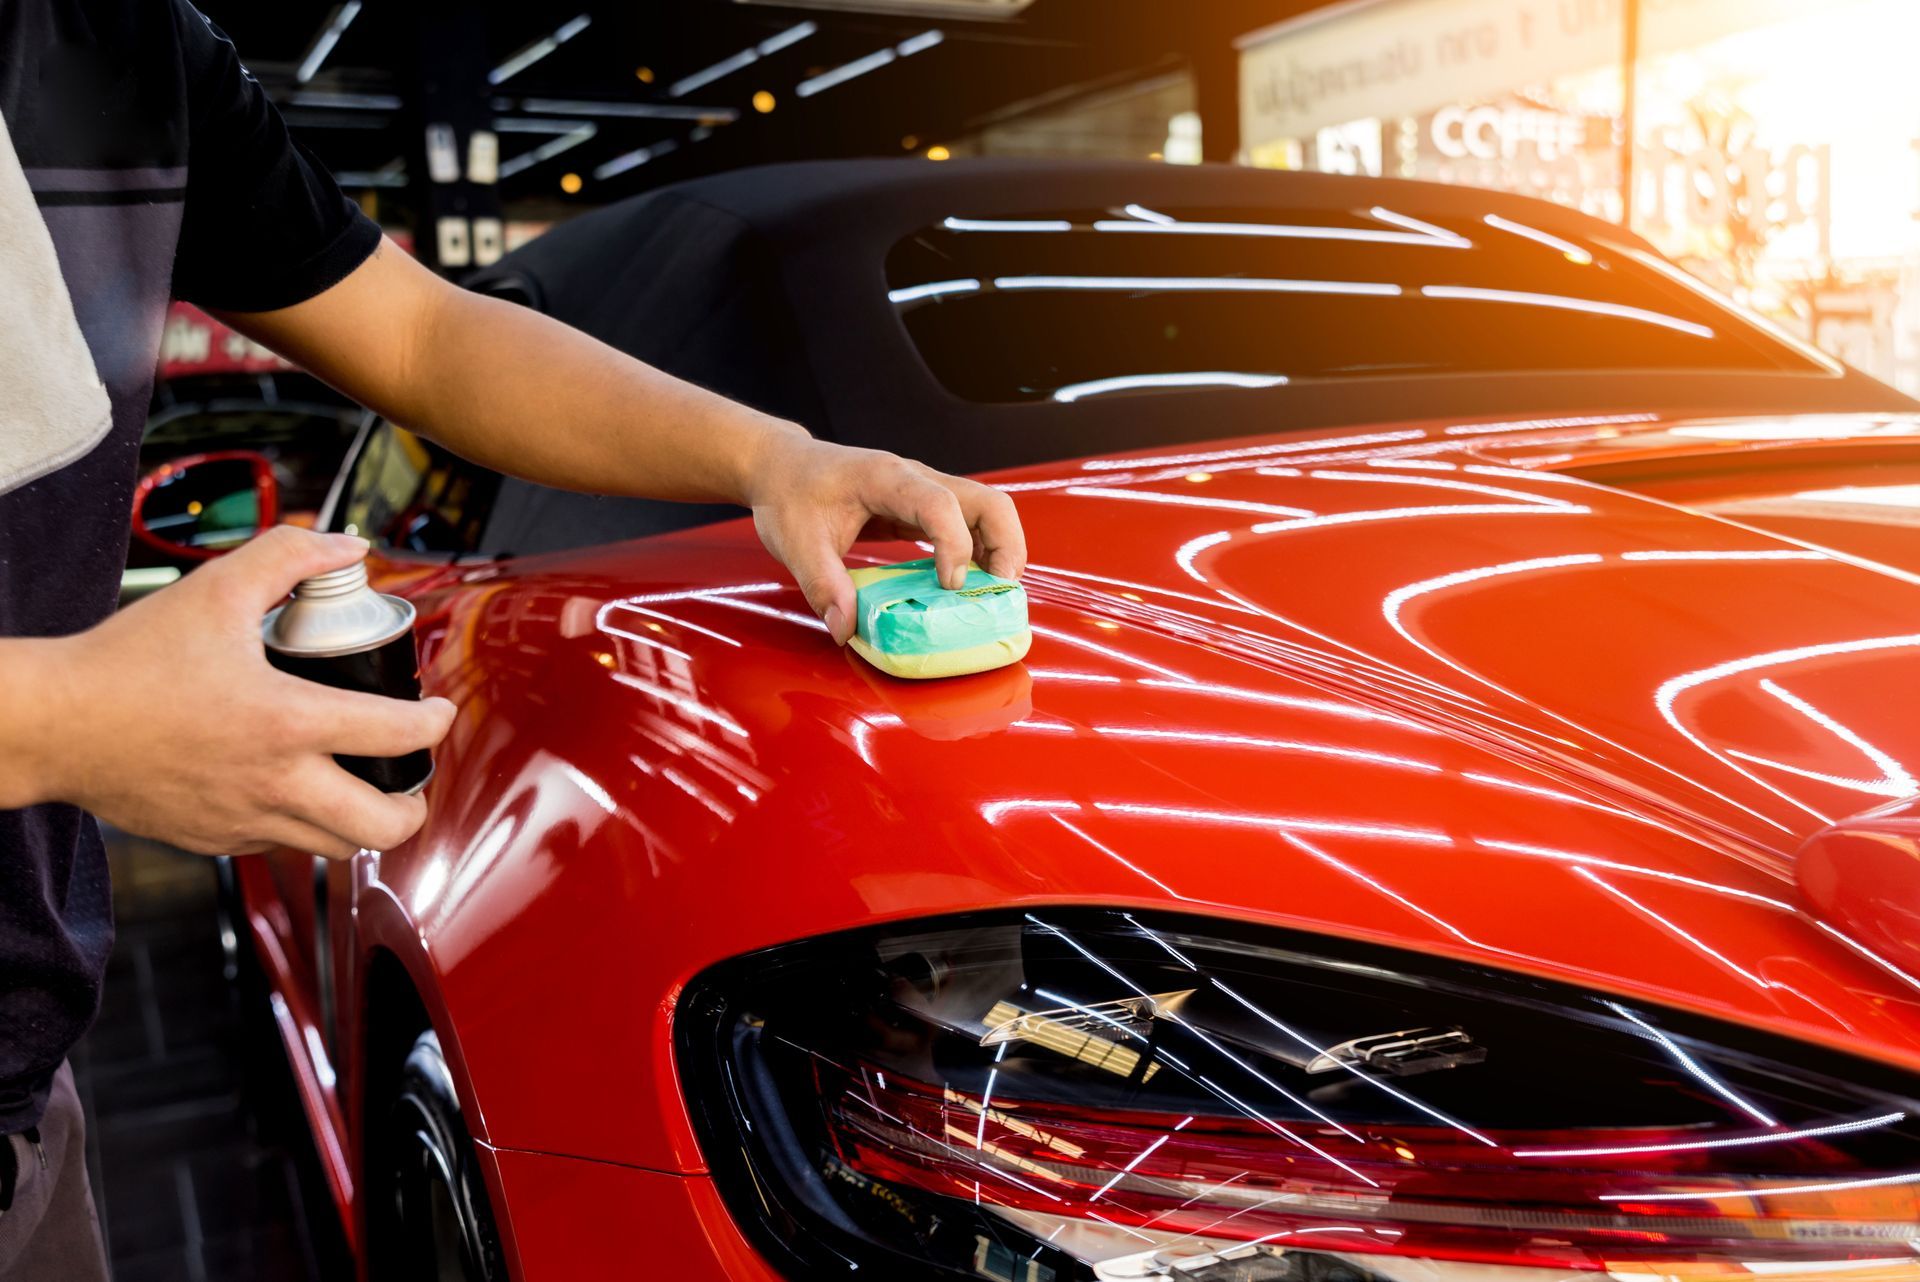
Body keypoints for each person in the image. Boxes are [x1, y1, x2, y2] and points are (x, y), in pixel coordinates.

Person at [0, 2, 1026, 1275]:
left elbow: (420, 332)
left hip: (26, 1072)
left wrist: (779, 458)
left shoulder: (133, 50)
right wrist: (61, 720)